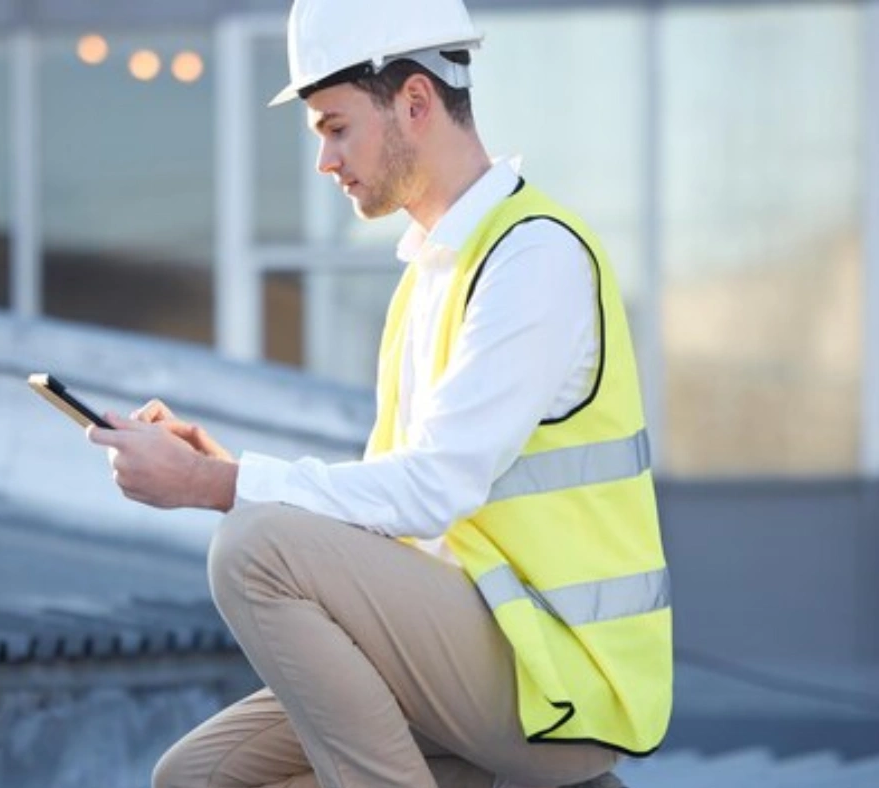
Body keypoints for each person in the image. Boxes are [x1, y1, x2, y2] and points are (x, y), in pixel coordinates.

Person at [86, 0, 673, 785]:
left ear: (416, 101)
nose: (325, 161)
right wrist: (228, 474)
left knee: (252, 550)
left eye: (335, 128)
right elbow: (389, 512)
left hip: (557, 678)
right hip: (471, 647)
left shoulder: (533, 258)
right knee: (193, 778)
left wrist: (216, 488)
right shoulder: (432, 273)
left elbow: (433, 489)